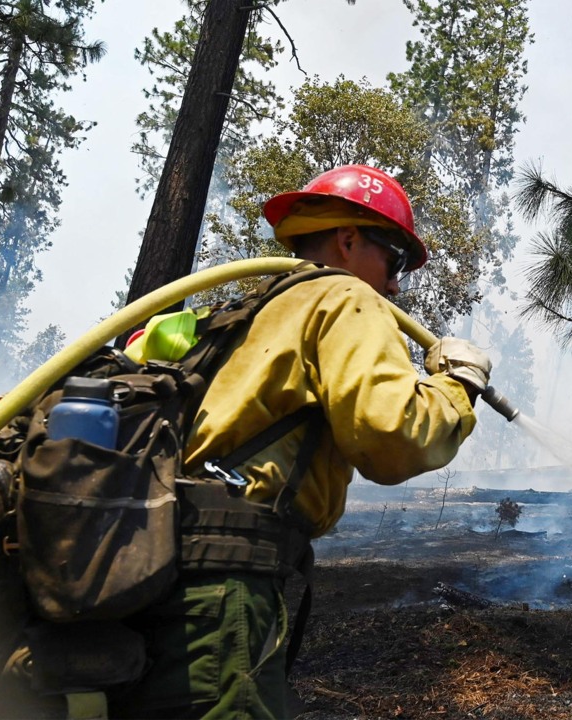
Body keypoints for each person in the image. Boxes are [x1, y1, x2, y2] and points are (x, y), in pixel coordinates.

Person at [109, 164, 492, 719]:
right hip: (223, 582)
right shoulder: (342, 296)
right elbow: (393, 436)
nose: (395, 285)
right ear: (349, 238)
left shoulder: (254, 310)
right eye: (396, 260)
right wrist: (457, 386)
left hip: (157, 568)